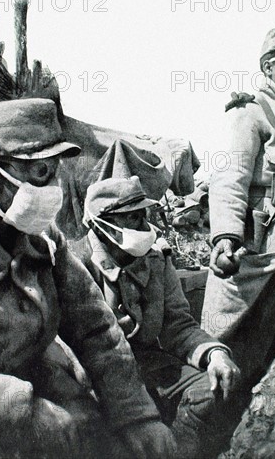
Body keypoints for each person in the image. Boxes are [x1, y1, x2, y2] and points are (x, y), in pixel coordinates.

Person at [0, 98, 176, 459]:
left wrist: (136, 416)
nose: (52, 187)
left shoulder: (44, 239)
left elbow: (96, 329)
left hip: (40, 378)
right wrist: (30, 413)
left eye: (54, 169)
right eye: (38, 172)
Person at [73, 175, 243, 459]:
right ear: (104, 226)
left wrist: (214, 354)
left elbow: (178, 325)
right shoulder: (76, 264)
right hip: (97, 377)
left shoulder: (155, 259)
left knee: (211, 389)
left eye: (144, 215)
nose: (145, 227)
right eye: (134, 219)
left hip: (150, 365)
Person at [201, 28, 275, 385]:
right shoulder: (249, 114)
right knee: (238, 344)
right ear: (269, 67)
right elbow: (229, 179)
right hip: (259, 254)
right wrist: (225, 238)